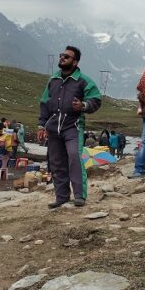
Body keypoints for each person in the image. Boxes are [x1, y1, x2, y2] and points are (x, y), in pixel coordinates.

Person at [37, 45, 102, 208]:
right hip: (53, 127)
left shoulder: (84, 81)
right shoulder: (53, 80)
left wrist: (84, 105)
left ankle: (79, 195)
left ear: (75, 62)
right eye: (61, 55)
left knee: (74, 157)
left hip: (73, 126)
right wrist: (40, 125)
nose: (62, 58)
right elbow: (44, 103)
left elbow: (96, 100)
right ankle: (62, 196)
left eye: (66, 57)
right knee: (56, 161)